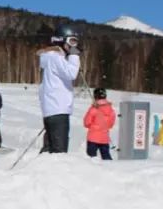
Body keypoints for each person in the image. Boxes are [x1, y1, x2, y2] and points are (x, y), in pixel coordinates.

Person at [38, 24, 81, 153]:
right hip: (58, 109)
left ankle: (39, 170)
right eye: (71, 41)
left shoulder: (51, 57)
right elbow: (71, 73)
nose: (73, 46)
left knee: (50, 149)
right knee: (59, 152)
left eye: (75, 42)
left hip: (52, 109)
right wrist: (74, 55)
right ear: (61, 40)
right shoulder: (55, 57)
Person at [83, 87, 116, 160]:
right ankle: (110, 169)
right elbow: (110, 124)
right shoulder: (111, 110)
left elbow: (86, 122)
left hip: (93, 138)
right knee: (106, 157)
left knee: (90, 158)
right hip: (104, 138)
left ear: (95, 96)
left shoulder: (93, 109)